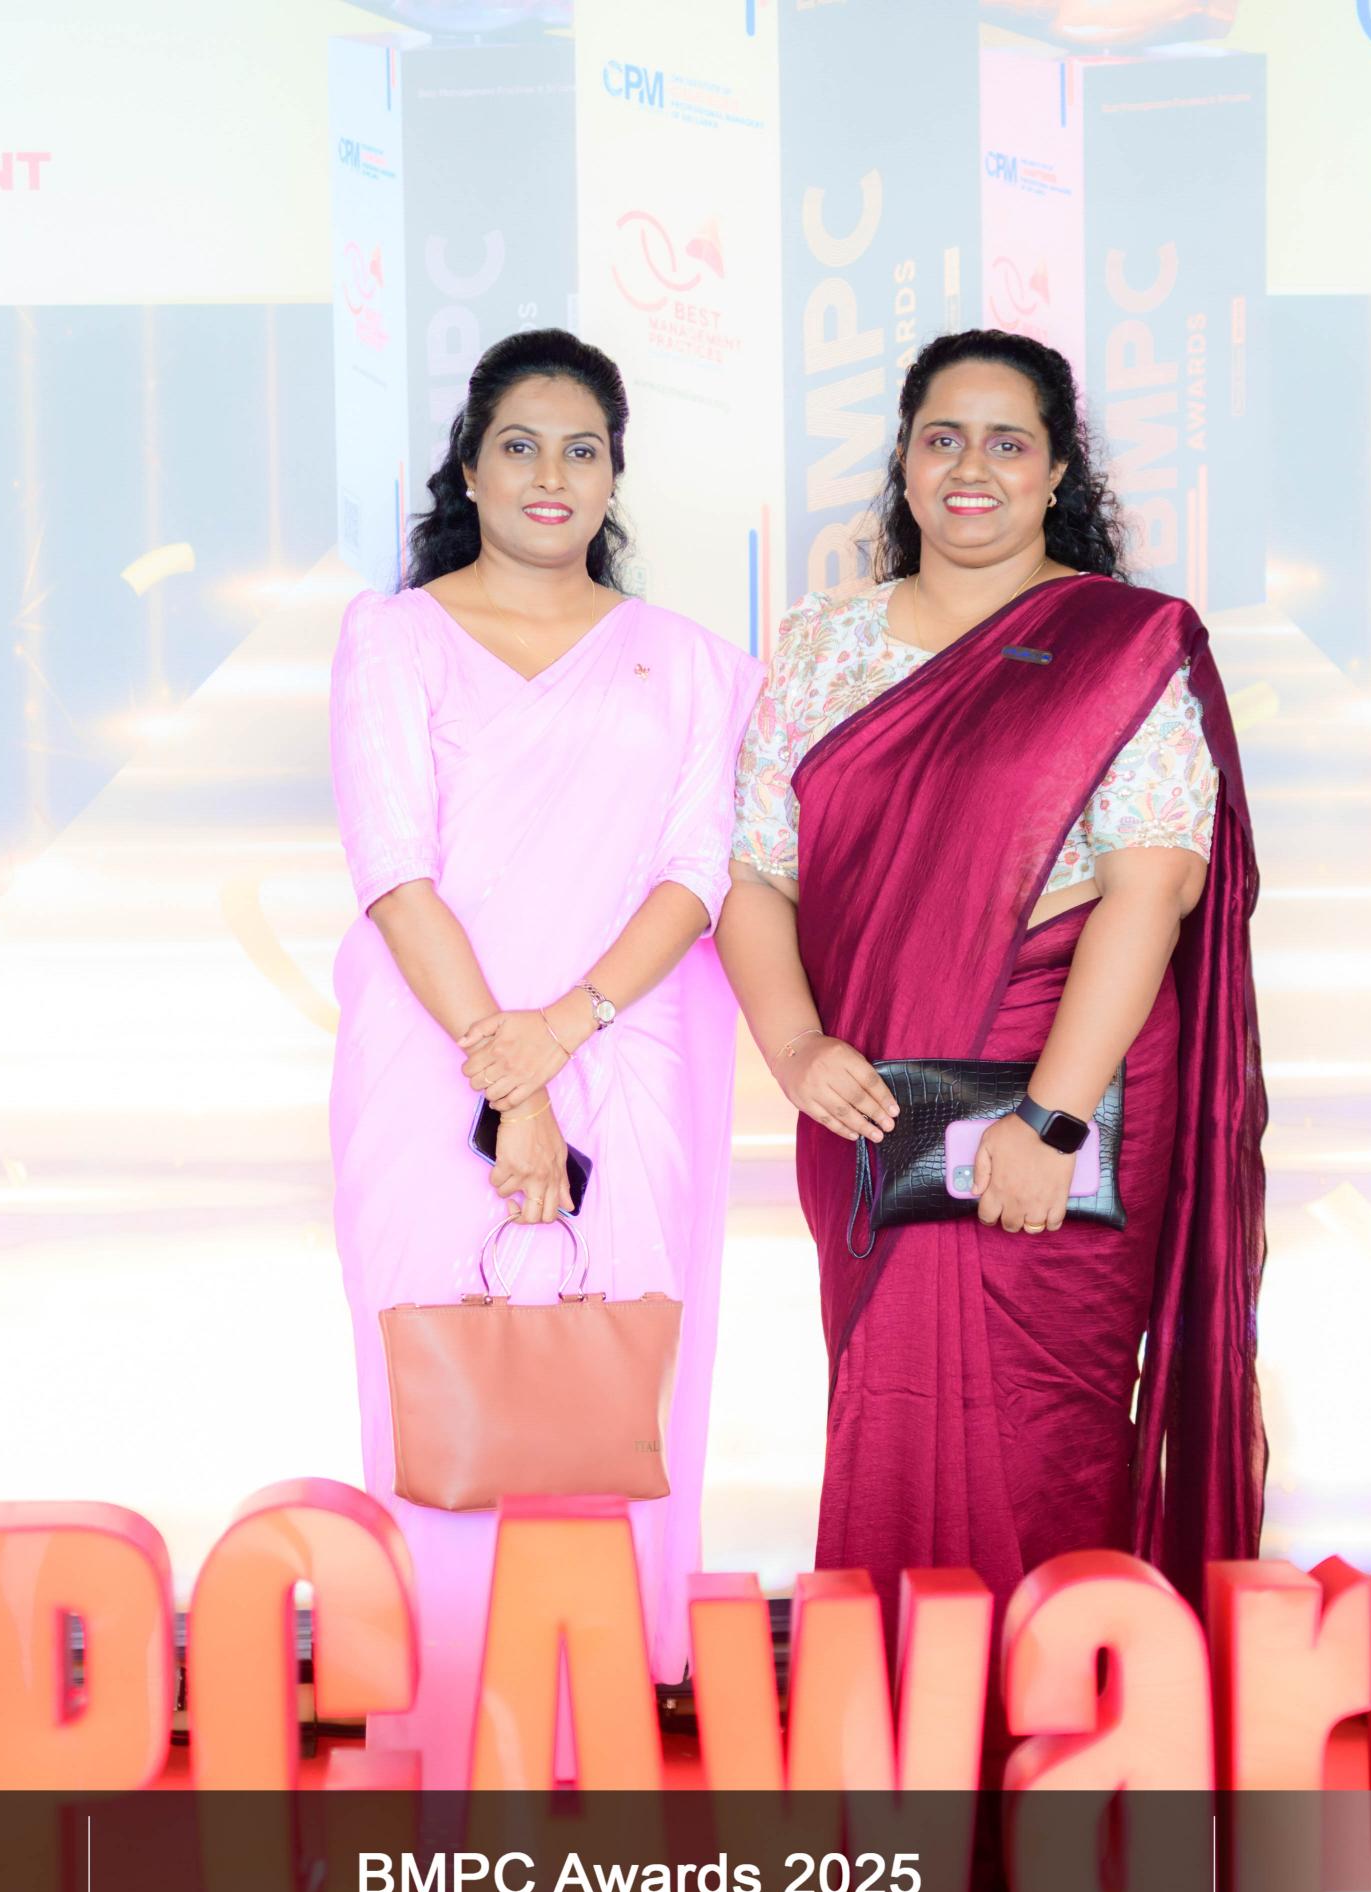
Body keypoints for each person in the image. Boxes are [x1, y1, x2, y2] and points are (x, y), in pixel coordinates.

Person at [718, 328, 1268, 1631]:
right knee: (887, 1404)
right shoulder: (821, 643)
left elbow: (1151, 889)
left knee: (1044, 1425)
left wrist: (1047, 1121)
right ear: (905, 462)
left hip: (1062, 1084)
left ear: (1057, 468)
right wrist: (796, 1051)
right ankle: (906, 1720)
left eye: (1007, 441)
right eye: (942, 438)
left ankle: (1053, 1724)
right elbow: (752, 874)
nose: (972, 467)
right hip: (869, 1102)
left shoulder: (1123, 643)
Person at [327, 329, 759, 1783]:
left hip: (627, 1062)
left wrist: (559, 1041)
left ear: (616, 475)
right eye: (519, 444)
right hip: (428, 1063)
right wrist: (506, 1082)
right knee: (441, 1372)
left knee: (614, 1380)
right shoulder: (393, 639)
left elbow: (699, 871)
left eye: (583, 448)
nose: (550, 474)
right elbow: (394, 871)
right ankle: (455, 1744)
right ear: (468, 467)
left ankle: (597, 1736)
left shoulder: (688, 665)